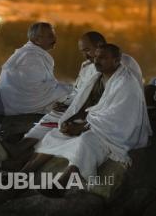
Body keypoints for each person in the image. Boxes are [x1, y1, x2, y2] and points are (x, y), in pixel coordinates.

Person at [0, 31, 146, 166]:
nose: (87, 56)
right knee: (55, 116)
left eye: (87, 50)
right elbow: (80, 92)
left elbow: (119, 99)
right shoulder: (90, 66)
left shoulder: (123, 65)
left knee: (63, 126)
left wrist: (81, 115)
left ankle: (21, 158)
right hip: (90, 109)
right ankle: (20, 150)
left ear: (100, 47)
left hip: (110, 116)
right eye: (83, 51)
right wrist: (69, 104)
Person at [19, 44, 151, 187]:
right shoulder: (97, 77)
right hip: (95, 121)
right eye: (96, 57)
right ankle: (26, 171)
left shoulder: (126, 82)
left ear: (116, 60)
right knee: (55, 134)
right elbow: (83, 104)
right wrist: (69, 121)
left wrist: (83, 127)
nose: (97, 61)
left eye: (103, 58)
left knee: (87, 141)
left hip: (116, 130)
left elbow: (119, 118)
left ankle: (63, 183)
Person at [0, 22, 71, 117]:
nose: (55, 39)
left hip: (14, 103)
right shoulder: (30, 57)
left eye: (54, 35)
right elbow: (35, 90)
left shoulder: (31, 53)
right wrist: (65, 90)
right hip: (17, 106)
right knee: (71, 94)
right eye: (50, 36)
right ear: (37, 40)